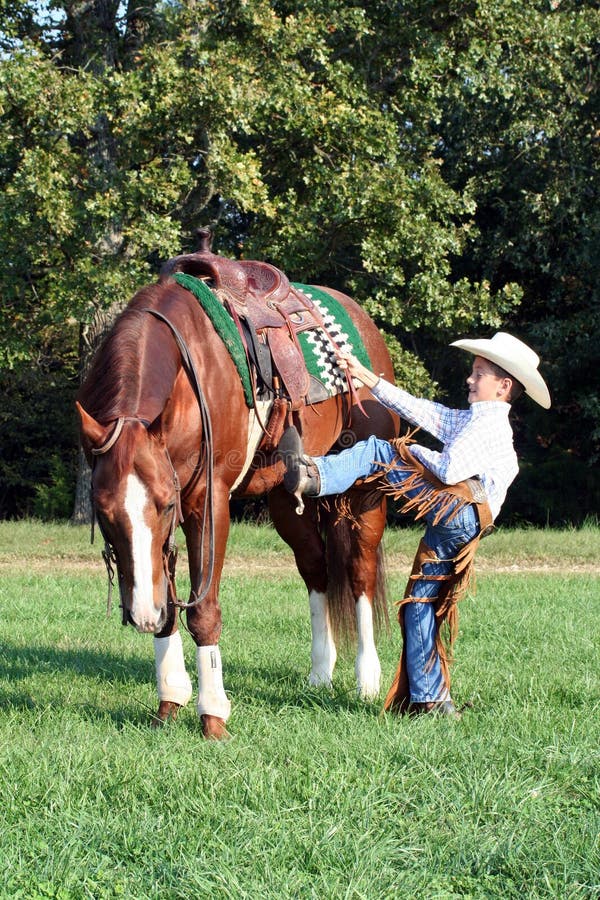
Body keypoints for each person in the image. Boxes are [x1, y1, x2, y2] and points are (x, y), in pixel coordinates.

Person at [279, 332, 551, 718]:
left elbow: (451, 467)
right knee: (418, 606)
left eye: (479, 373)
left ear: (503, 386)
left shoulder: (488, 427)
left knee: (378, 451)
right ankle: (431, 701)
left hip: (457, 511)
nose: (470, 379)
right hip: (462, 519)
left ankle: (313, 477)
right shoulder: (476, 419)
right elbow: (423, 411)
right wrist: (367, 377)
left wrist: (408, 451)